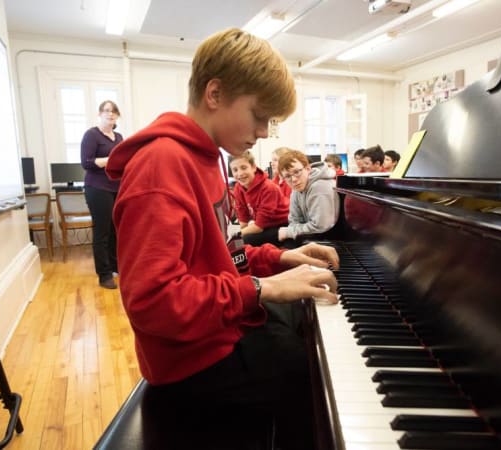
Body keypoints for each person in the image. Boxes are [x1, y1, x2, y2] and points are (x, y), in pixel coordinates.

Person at [105, 28, 339, 450]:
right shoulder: (161, 166)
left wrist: (279, 259)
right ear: (215, 93)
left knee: (303, 329)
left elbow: (224, 253)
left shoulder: (210, 157)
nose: (265, 133)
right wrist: (261, 288)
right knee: (315, 375)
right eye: (259, 116)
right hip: (192, 362)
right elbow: (153, 302)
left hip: (218, 331)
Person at [81, 100, 123, 289]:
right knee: (102, 231)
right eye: (106, 111)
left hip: (116, 188)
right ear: (100, 114)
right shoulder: (91, 135)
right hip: (97, 188)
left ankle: (115, 266)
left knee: (115, 230)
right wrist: (111, 159)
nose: (110, 114)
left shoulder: (119, 137)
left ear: (117, 116)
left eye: (114, 111)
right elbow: (87, 162)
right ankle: (104, 275)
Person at [277, 150, 340, 245]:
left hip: (329, 238)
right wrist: (291, 231)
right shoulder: (297, 187)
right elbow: (294, 220)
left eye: (297, 172)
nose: (294, 179)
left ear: (308, 169)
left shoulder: (320, 186)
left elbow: (320, 227)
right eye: (288, 176)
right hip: (311, 235)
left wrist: (289, 232)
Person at [229, 150, 289, 246]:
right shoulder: (238, 188)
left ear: (253, 167)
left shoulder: (268, 188)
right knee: (234, 240)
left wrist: (235, 235)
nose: (239, 173)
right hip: (263, 225)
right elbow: (243, 220)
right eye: (235, 170)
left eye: (243, 168)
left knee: (243, 240)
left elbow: (259, 227)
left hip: (283, 225)